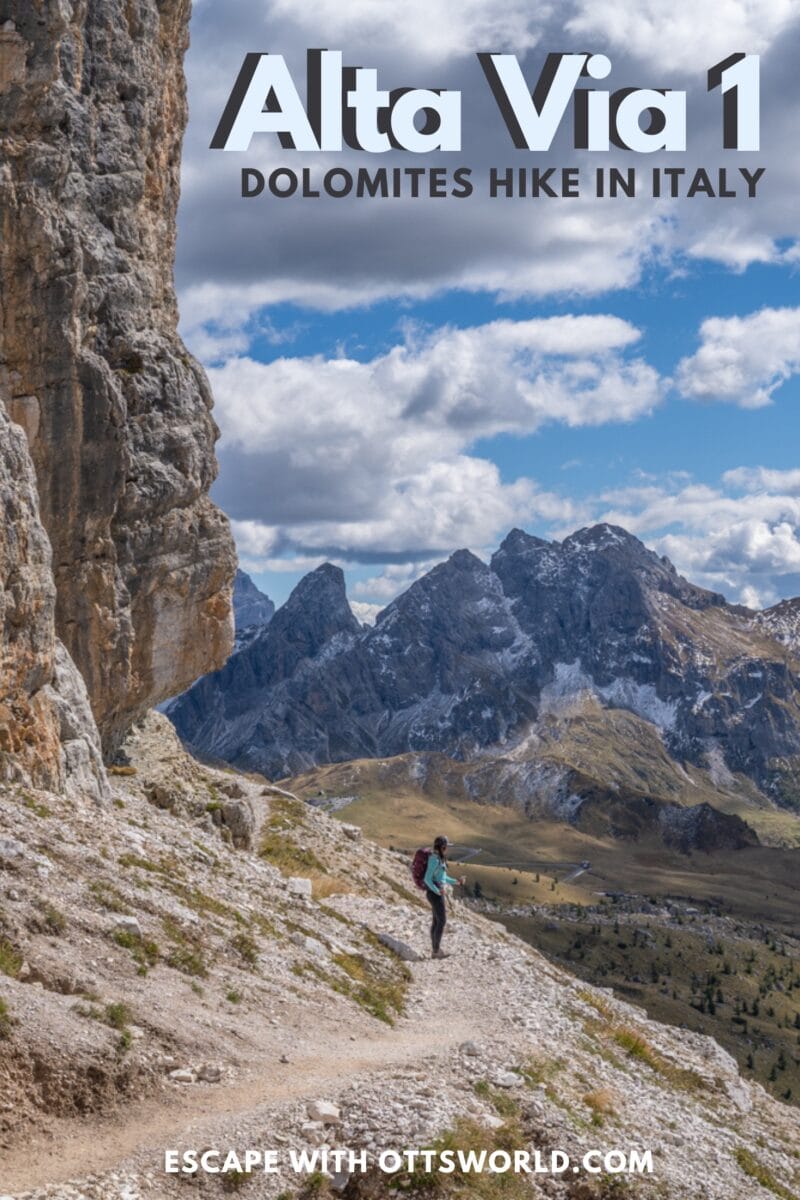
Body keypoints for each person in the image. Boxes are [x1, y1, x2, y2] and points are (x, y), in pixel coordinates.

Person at [423, 835, 465, 959]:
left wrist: (456, 881)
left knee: (437, 921)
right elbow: (427, 878)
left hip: (436, 893)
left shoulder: (439, 859)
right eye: (446, 846)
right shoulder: (434, 860)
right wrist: (437, 891)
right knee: (441, 921)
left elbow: (443, 878)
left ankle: (435, 949)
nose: (447, 849)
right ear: (441, 847)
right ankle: (436, 951)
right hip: (435, 894)